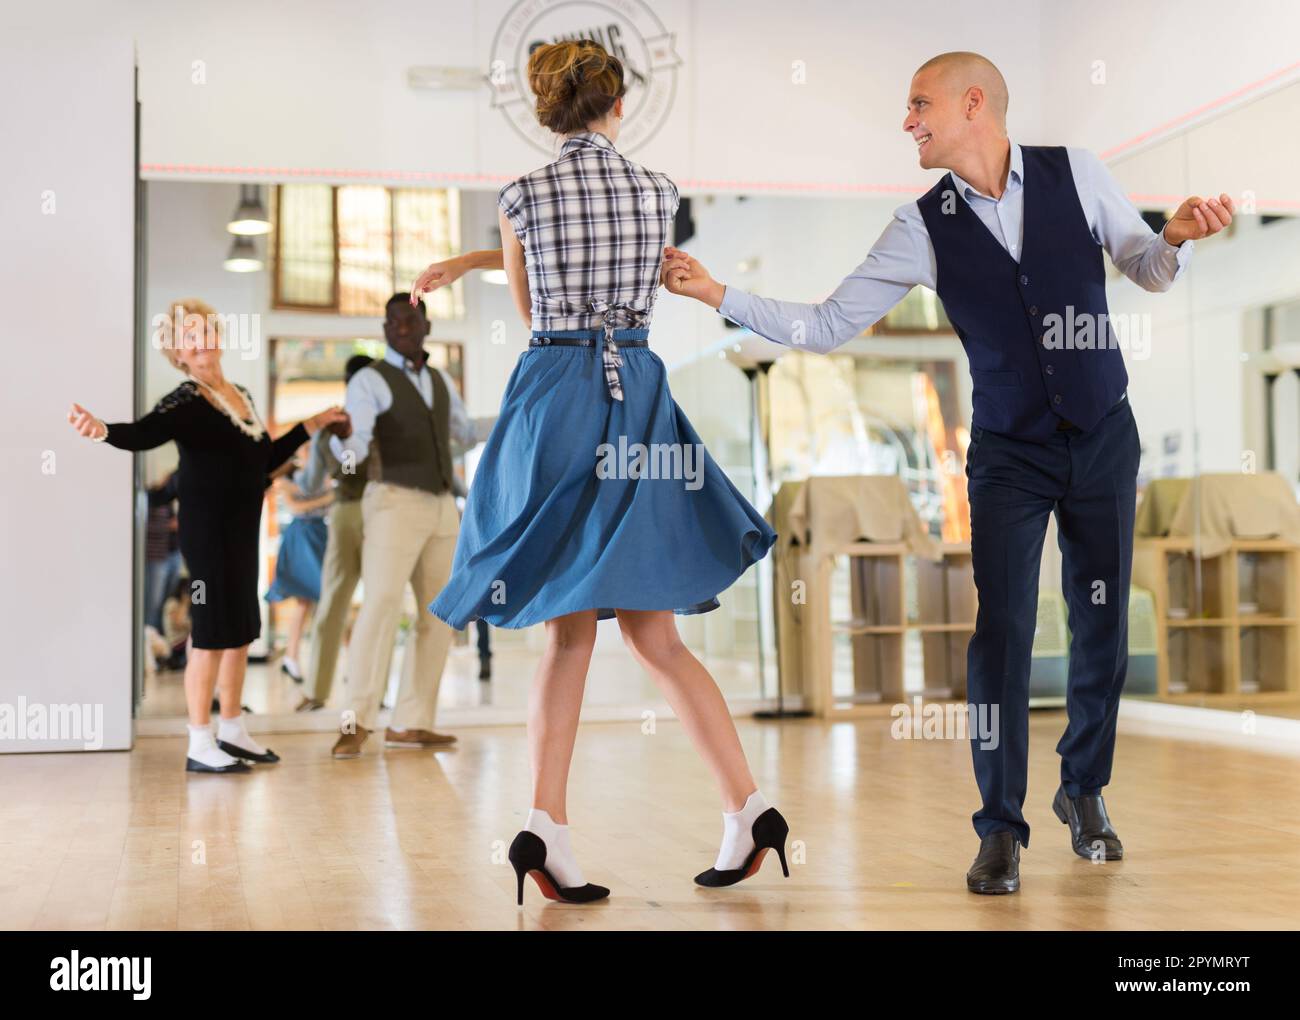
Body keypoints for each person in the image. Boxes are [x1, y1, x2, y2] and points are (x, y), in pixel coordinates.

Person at [661, 52, 1236, 895]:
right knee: (1001, 636)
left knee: (1102, 623)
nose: (908, 122)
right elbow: (825, 324)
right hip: (1009, 450)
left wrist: (1175, 238)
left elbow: (1143, 265)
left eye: (919, 105)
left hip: (1105, 434)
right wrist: (720, 295)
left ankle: (1084, 790)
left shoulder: (1074, 174)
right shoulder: (919, 226)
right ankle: (1000, 827)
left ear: (974, 104)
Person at [422, 39, 787, 906]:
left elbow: (527, 309)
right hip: (639, 398)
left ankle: (546, 823)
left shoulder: (518, 195)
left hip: (557, 395)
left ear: (545, 110)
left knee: (567, 626)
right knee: (655, 635)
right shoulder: (658, 192)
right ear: (616, 104)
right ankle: (751, 806)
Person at [68, 297, 349, 773]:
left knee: (240, 628)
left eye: (206, 331)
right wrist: (101, 431)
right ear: (178, 352)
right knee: (210, 632)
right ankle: (199, 740)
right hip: (207, 533)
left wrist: (312, 424)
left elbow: (263, 457)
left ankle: (232, 727)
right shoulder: (186, 398)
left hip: (242, 530)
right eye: (190, 336)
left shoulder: (239, 394)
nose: (202, 341)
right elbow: (142, 433)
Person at [327, 296, 477, 758]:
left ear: (426, 324)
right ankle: (357, 720)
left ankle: (412, 722)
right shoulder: (370, 379)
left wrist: (516, 418)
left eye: (409, 319)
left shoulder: (439, 379)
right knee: (381, 606)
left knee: (440, 614)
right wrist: (340, 445)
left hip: (441, 504)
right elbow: (356, 445)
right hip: (391, 501)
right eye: (392, 321)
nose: (400, 327)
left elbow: (465, 434)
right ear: (385, 328)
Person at [298, 354, 375, 713]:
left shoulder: (330, 427)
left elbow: (311, 482)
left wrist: (293, 476)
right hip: (383, 512)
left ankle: (315, 693)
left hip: (345, 512)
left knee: (332, 604)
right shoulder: (384, 424)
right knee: (379, 605)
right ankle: (374, 693)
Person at [266, 450, 334, 684]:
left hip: (320, 535)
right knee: (305, 599)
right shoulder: (288, 480)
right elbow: (296, 507)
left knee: (322, 598)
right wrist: (327, 498)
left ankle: (295, 657)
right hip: (301, 538)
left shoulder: (325, 475)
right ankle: (292, 657)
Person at [143, 471, 182, 634]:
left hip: (174, 555)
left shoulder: (171, 502)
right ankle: (151, 638)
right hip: (157, 557)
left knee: (166, 601)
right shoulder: (151, 498)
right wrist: (170, 525)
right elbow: (144, 526)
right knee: (154, 603)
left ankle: (160, 640)